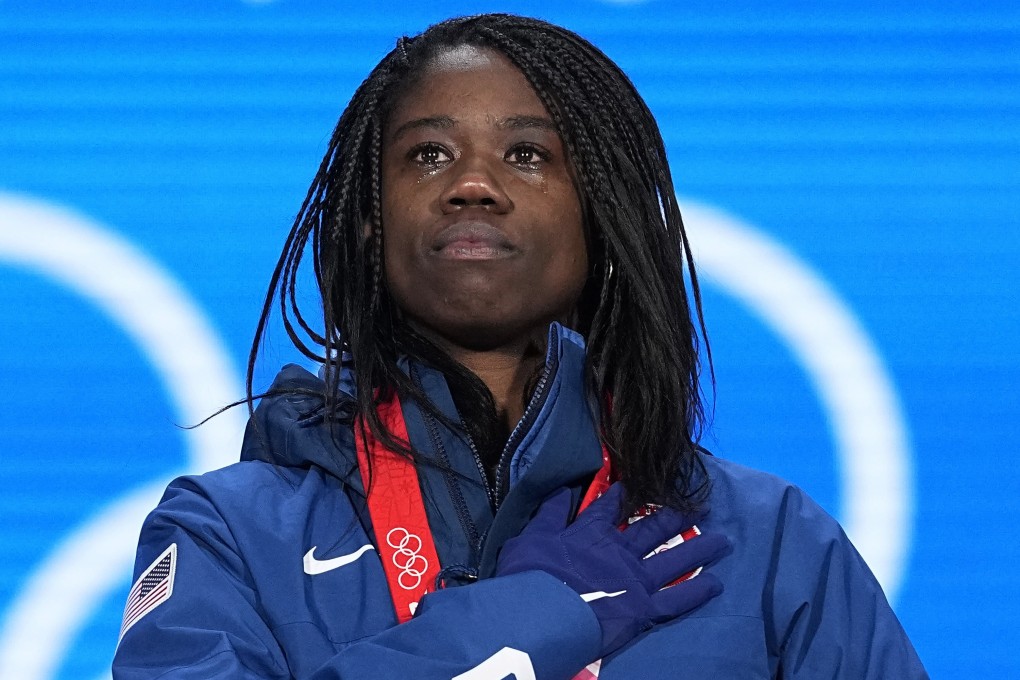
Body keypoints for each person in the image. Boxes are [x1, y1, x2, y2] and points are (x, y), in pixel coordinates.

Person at [112, 13, 927, 679]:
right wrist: (533, 619)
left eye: (527, 154)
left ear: (601, 220)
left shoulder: (770, 544)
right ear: (367, 224)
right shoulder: (227, 534)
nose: (472, 184)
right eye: (429, 154)